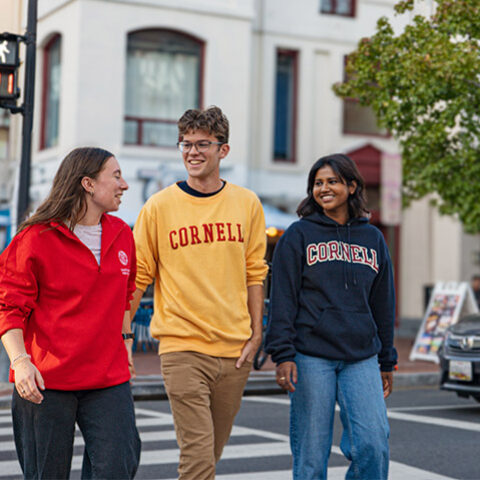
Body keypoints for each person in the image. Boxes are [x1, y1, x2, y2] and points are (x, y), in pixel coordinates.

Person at [131, 106, 268, 480]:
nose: (192, 152)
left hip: (234, 352)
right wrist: (123, 335)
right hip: (182, 348)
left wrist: (256, 335)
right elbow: (139, 275)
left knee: (210, 452)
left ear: (223, 150)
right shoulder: (158, 207)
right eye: (186, 144)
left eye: (202, 144)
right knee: (197, 457)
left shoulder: (247, 204)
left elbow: (255, 272)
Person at [0, 147, 141, 479]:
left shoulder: (123, 235)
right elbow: (9, 309)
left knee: (118, 467)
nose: (125, 185)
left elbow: (124, 297)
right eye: (116, 176)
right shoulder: (34, 239)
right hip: (45, 381)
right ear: (88, 184)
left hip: (108, 378)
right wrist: (20, 363)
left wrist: (127, 343)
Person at [265, 153, 397, 480]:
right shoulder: (298, 236)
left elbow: (383, 302)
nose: (324, 188)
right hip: (311, 356)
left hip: (362, 357)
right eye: (318, 183)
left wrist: (387, 359)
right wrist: (282, 354)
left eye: (333, 181)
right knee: (311, 458)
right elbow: (282, 298)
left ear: (351, 187)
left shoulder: (373, 239)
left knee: (373, 444)